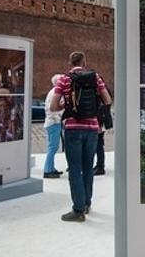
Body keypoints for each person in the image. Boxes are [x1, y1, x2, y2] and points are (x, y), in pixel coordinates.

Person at [49, 51, 111, 223]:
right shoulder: (96, 77)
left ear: (70, 63)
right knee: (88, 167)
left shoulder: (64, 79)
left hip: (73, 128)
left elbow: (53, 106)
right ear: (85, 62)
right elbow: (107, 100)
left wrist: (66, 104)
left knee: (75, 168)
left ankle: (78, 210)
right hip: (92, 129)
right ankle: (86, 204)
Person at [43, 74, 64, 178]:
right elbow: (53, 108)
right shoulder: (55, 93)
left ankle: (51, 168)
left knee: (53, 147)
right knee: (52, 147)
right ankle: (47, 170)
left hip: (53, 122)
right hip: (53, 122)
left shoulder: (53, 92)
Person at [93, 82, 113, 176]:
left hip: (100, 123)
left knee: (99, 146)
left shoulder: (101, 95)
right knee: (99, 145)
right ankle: (99, 165)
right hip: (101, 122)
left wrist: (98, 124)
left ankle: (100, 166)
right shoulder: (104, 92)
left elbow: (102, 110)